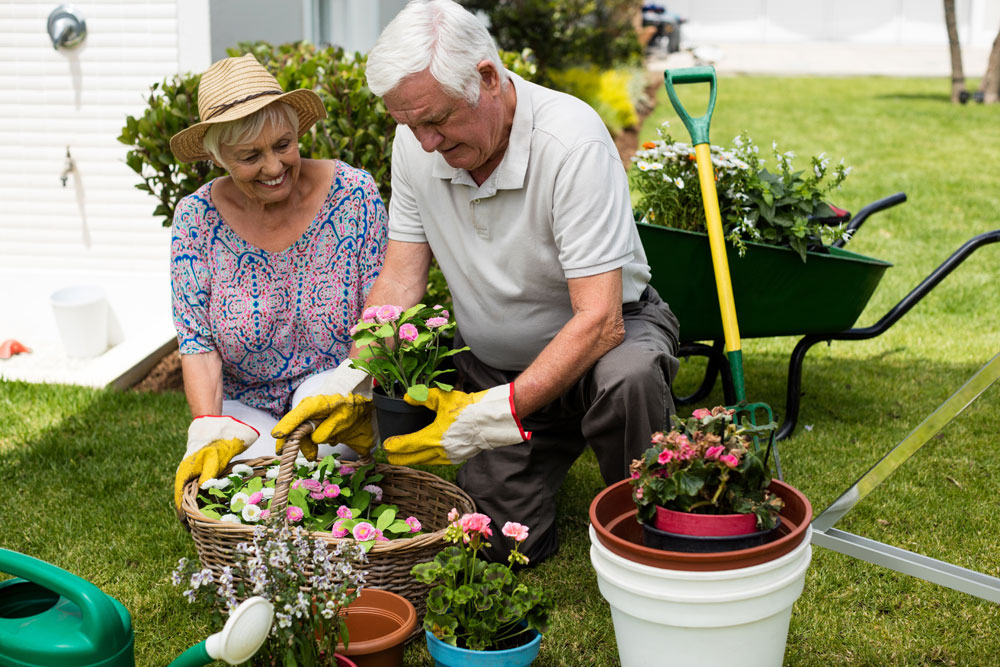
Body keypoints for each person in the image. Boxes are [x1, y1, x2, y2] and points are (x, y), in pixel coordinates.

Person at [273, 0, 679, 564]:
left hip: (603, 345)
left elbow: (600, 320)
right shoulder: (416, 145)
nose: (427, 143)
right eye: (410, 125)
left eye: (436, 120)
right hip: (495, 364)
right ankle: (540, 457)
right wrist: (352, 377)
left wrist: (487, 419)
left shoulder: (571, 141)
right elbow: (400, 277)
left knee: (629, 379)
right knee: (496, 545)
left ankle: (647, 532)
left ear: (487, 77)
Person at [169, 54, 387, 513]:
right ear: (217, 157)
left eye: (284, 144)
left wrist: (351, 391)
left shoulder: (354, 194)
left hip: (332, 388)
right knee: (250, 479)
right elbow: (196, 340)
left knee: (315, 467)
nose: (274, 167)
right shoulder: (196, 217)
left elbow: (381, 313)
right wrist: (210, 429)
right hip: (246, 402)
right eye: (250, 156)